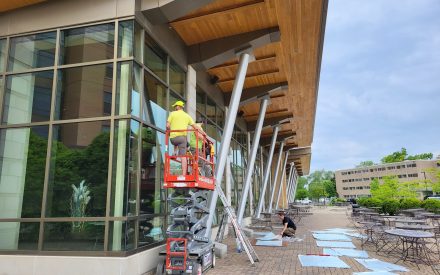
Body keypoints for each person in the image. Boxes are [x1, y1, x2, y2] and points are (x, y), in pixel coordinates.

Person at [166, 100, 203, 175]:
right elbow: (195, 127)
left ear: (178, 106)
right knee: (183, 156)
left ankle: (175, 152)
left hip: (173, 139)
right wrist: (203, 134)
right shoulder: (187, 116)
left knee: (175, 139)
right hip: (182, 139)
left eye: (175, 106)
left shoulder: (172, 114)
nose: (175, 108)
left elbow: (167, 126)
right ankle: (183, 174)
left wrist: (169, 131)